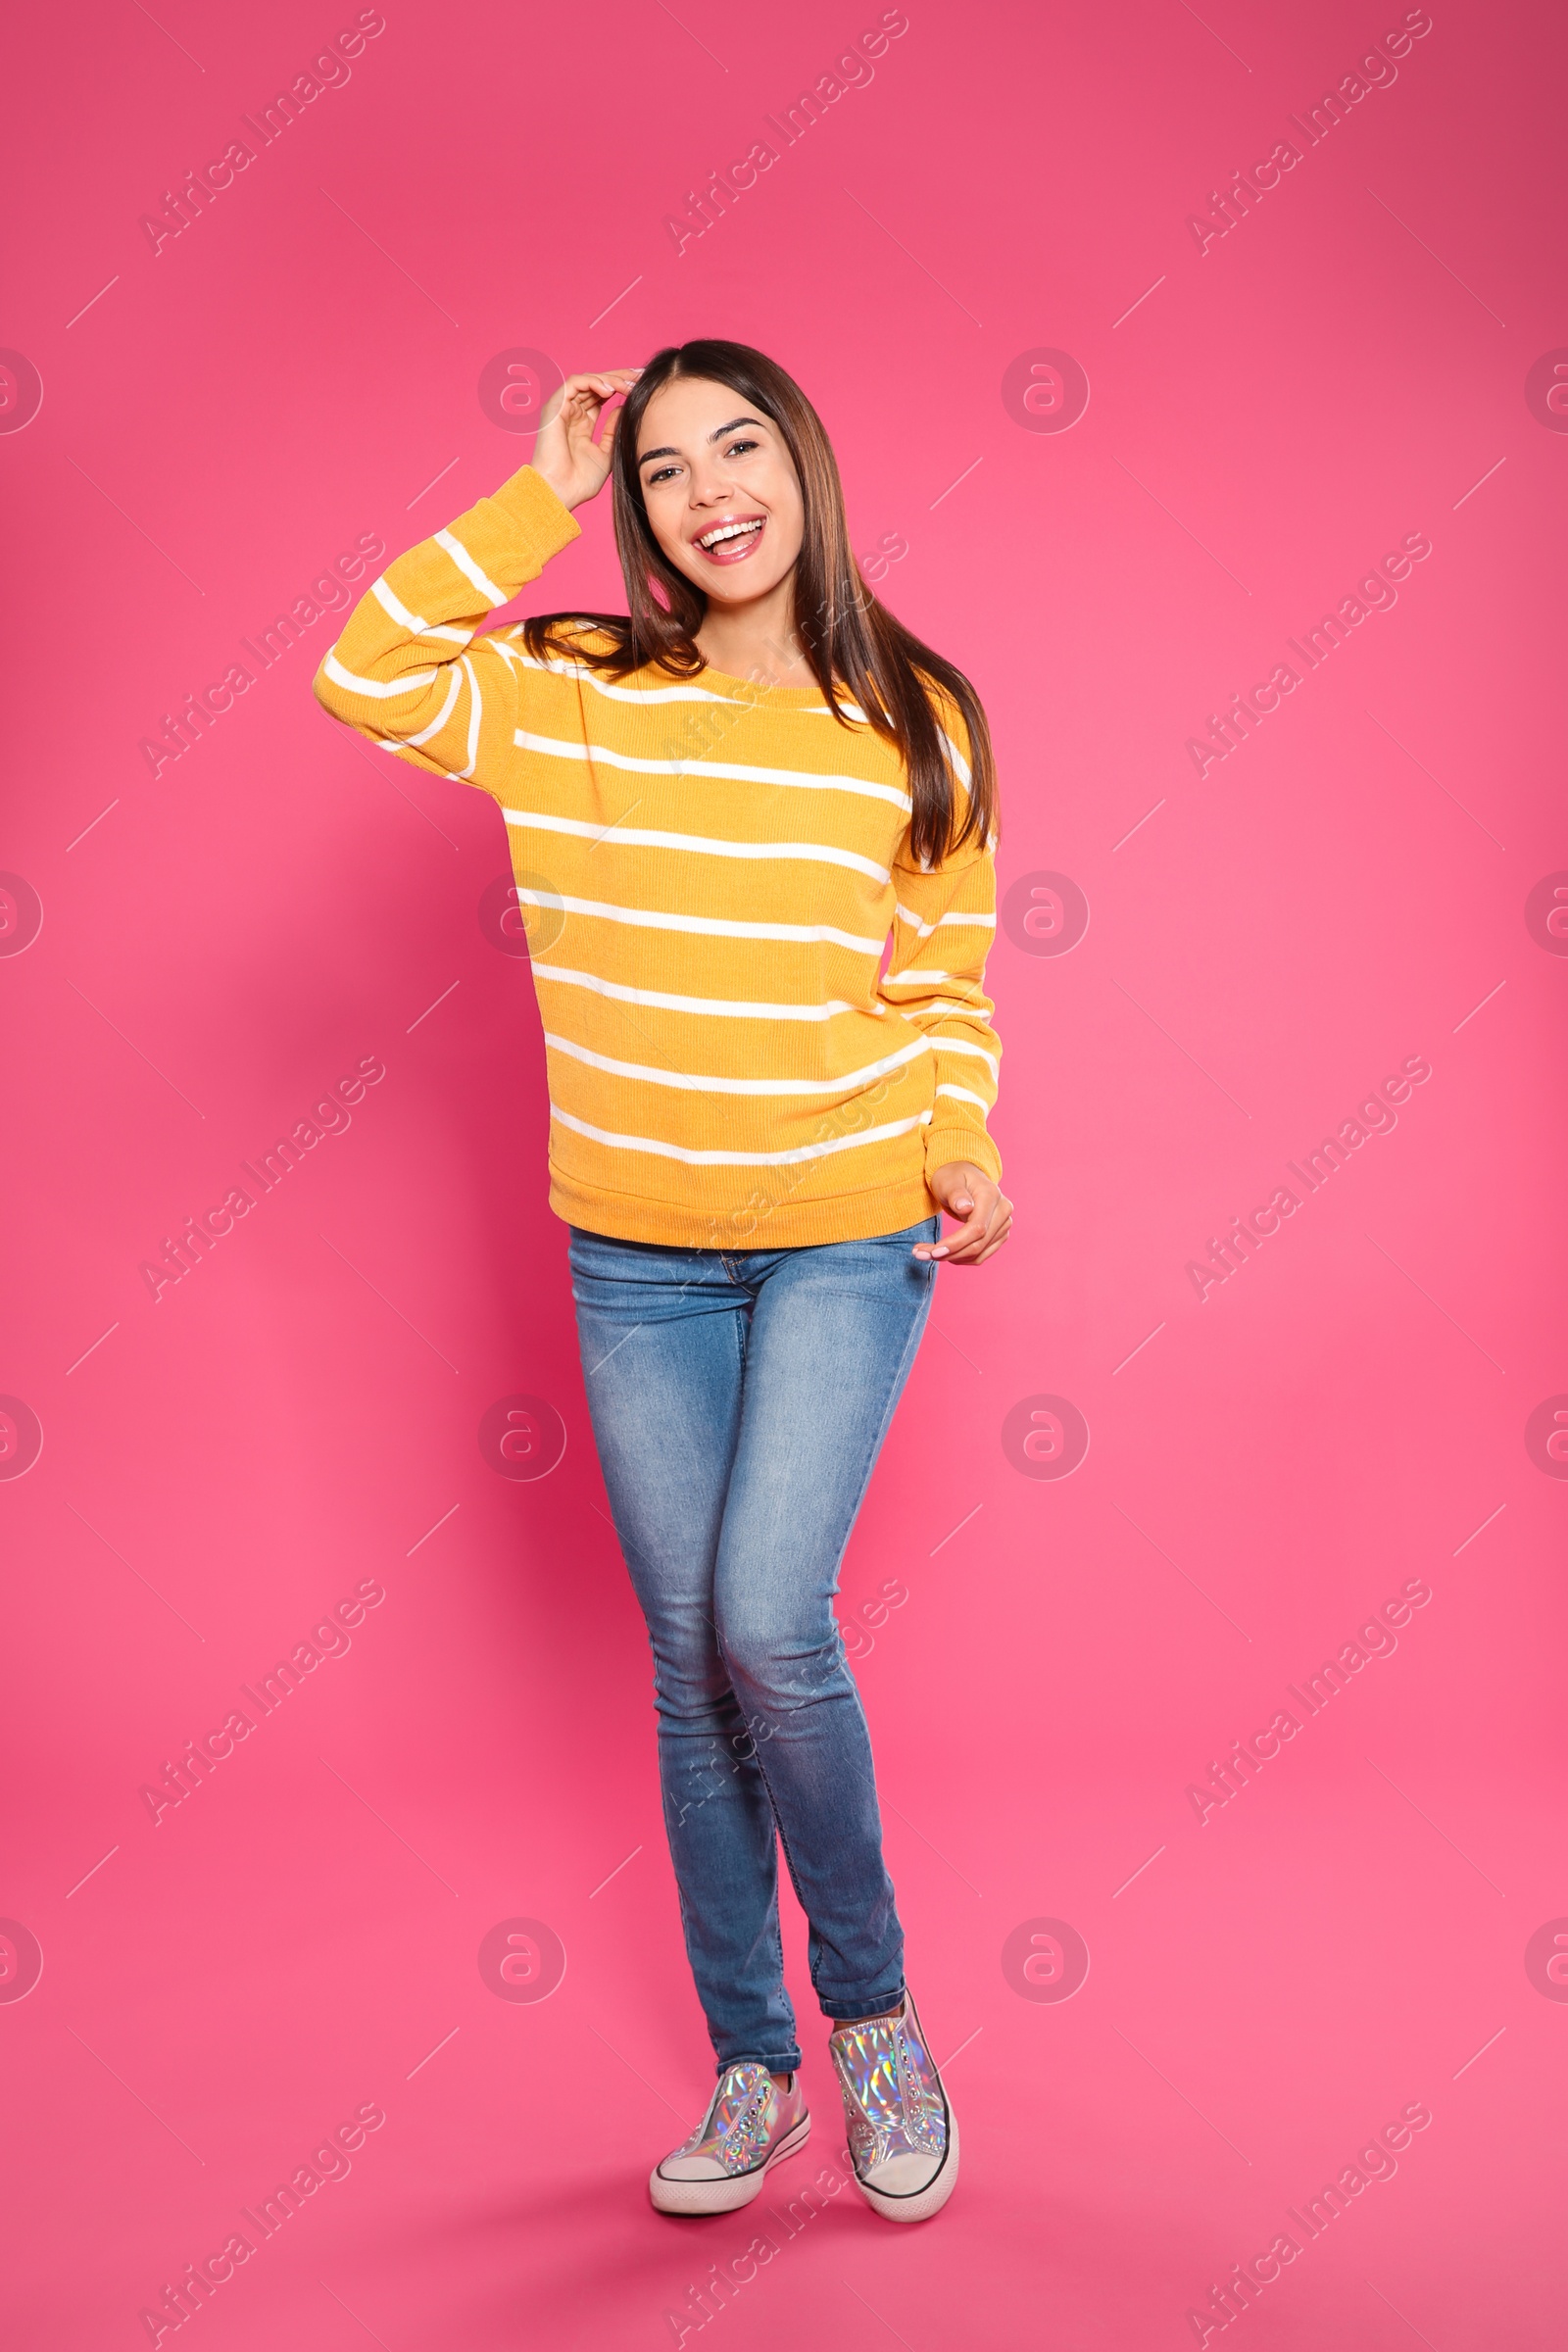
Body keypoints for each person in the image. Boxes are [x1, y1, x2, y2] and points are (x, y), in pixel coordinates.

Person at [314, 340, 1009, 2225]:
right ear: (635, 510)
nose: (711, 488)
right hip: (634, 1250)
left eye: (744, 446)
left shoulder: (916, 713)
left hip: (846, 1225)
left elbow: (940, 985)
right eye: (667, 467)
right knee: (692, 1667)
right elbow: (364, 672)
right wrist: (530, 492)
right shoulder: (572, 684)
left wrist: (965, 1142)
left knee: (770, 1617)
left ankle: (872, 2021)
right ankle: (754, 2066)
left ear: (805, 466)